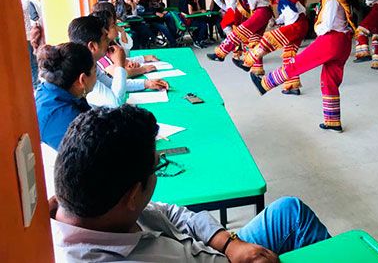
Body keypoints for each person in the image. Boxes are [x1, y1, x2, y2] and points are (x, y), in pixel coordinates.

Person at [50, 105, 330, 262]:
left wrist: (228, 243)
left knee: (290, 213)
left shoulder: (100, 208)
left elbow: (170, 213)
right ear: (133, 194)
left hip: (218, 252)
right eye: (157, 166)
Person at [250, 0, 357, 132]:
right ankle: (333, 121)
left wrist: (317, 30)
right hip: (344, 43)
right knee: (329, 80)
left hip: (331, 39)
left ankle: (265, 84)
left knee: (297, 63)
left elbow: (327, 25)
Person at [234, 0, 308, 96]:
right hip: (300, 24)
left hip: (296, 24)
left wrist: (285, 28)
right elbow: (290, 9)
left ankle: (247, 62)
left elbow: (291, 9)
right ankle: (292, 86)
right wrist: (278, 20)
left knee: (269, 38)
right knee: (289, 55)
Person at [68, 16, 168, 108]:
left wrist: (147, 83)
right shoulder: (82, 71)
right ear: (92, 46)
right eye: (105, 38)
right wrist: (120, 65)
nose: (108, 40)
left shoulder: (90, 63)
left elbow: (110, 83)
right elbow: (116, 102)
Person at [207, 0, 273, 76]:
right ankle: (256, 67)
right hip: (264, 12)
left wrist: (251, 10)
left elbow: (252, 1)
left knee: (239, 32)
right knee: (254, 39)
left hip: (260, 12)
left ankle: (220, 53)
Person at [34, 43, 95, 149]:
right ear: (82, 80)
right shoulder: (70, 121)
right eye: (95, 71)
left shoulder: (48, 88)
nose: (96, 75)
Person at [20, 0, 39, 88]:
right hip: (25, 38)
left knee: (33, 62)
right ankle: (35, 84)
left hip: (28, 36)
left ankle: (35, 83)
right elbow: (25, 3)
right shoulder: (19, 3)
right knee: (32, 63)